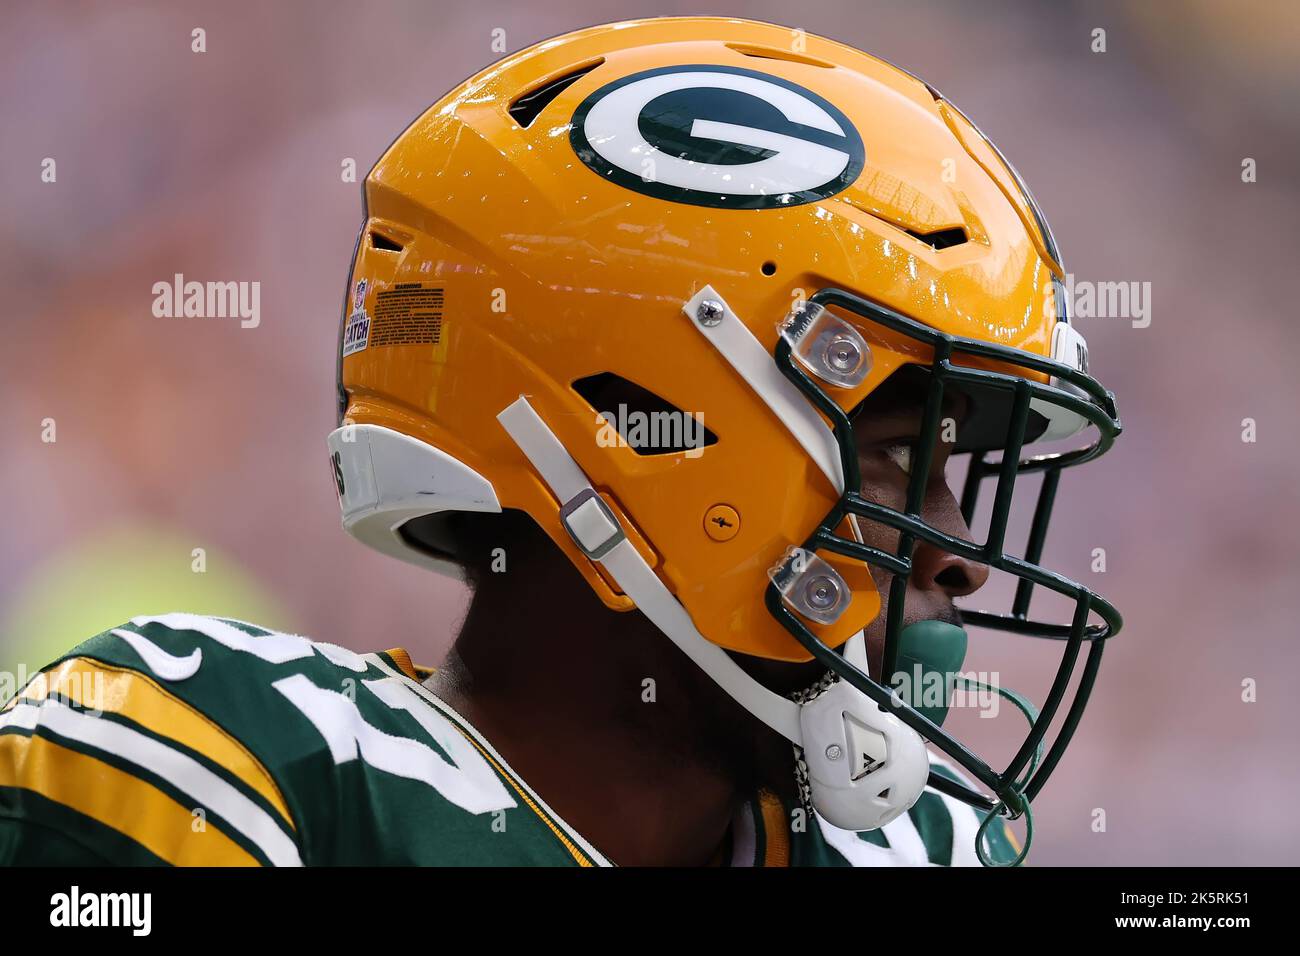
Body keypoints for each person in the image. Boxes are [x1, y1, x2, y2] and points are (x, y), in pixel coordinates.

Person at [0, 16, 1122, 867]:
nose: (958, 550)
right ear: (650, 437)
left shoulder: (918, 849)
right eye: (893, 457)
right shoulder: (232, 770)